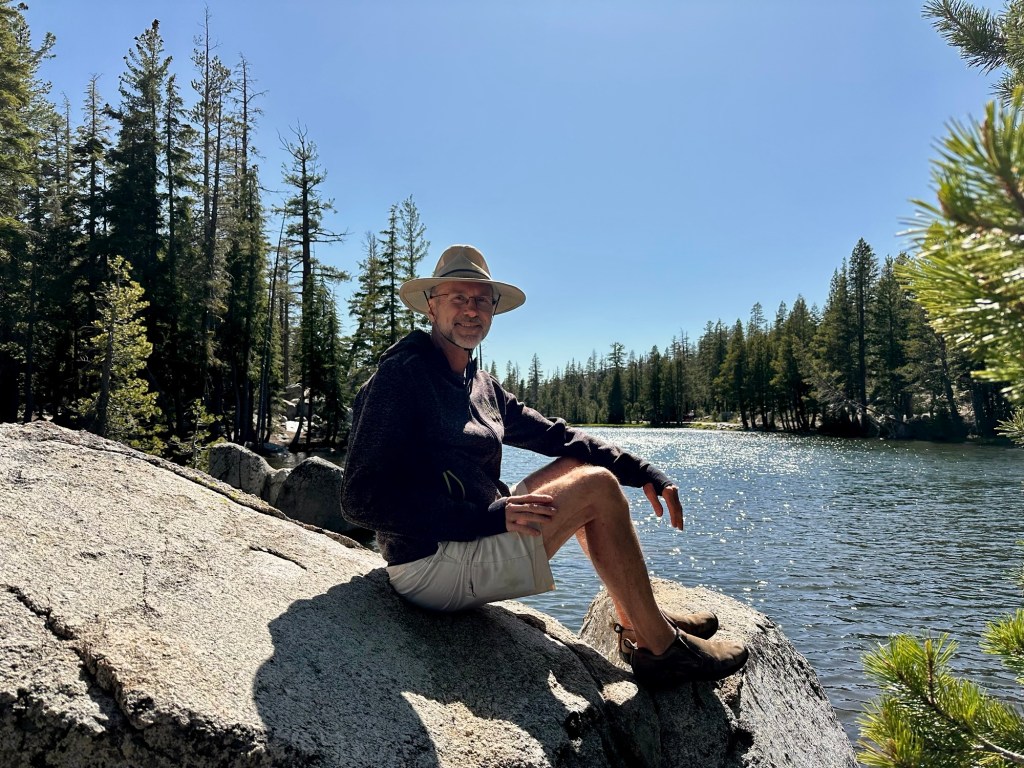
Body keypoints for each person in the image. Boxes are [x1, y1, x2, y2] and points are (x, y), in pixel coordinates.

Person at [340, 244, 748, 688]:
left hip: (471, 539)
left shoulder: (480, 385)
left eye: (482, 300)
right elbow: (359, 500)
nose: (471, 310)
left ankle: (640, 620)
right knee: (596, 487)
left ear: (493, 309)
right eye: (458, 297)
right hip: (431, 565)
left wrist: (643, 472)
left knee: (579, 464)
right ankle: (664, 651)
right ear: (431, 306)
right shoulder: (401, 378)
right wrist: (485, 517)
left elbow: (559, 436)